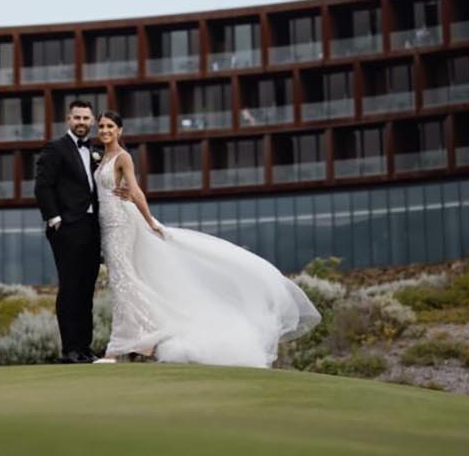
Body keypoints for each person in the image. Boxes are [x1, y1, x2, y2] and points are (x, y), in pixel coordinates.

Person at [91, 110, 320, 368]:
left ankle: (116, 349)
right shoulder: (100, 158)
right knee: (125, 282)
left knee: (124, 283)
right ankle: (149, 339)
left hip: (122, 223)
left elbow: (136, 191)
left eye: (110, 126)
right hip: (107, 225)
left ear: (120, 130)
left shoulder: (123, 157)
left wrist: (150, 221)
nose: (105, 130)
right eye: (101, 126)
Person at [33, 99, 102, 364]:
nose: (82, 123)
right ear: (68, 120)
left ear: (92, 121)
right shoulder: (55, 148)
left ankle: (85, 348)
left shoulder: (95, 151)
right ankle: (70, 349)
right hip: (67, 228)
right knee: (70, 288)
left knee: (87, 289)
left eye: (86, 118)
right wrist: (54, 219)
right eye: (77, 118)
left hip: (92, 228)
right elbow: (43, 186)